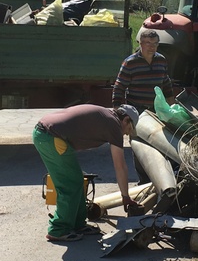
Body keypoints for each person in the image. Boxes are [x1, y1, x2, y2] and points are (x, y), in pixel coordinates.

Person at [33, 104, 141, 242]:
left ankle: (77, 224)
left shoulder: (107, 116)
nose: (126, 134)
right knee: (69, 184)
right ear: (125, 120)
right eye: (129, 129)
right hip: (51, 137)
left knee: (77, 180)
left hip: (47, 134)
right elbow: (120, 166)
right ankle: (58, 229)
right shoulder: (114, 125)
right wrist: (125, 196)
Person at [112, 29, 174, 115]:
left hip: (156, 110)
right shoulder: (130, 63)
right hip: (136, 110)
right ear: (140, 43)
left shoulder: (161, 60)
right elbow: (119, 87)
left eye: (155, 43)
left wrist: (171, 104)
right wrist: (116, 107)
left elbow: (166, 83)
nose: (152, 47)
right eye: (148, 43)